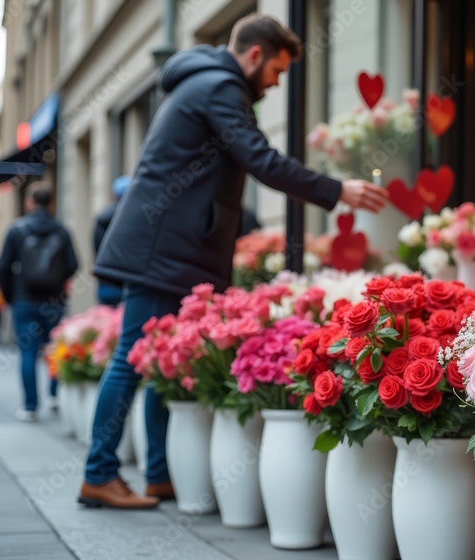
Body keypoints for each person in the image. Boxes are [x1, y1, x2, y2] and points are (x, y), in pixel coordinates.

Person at [80, 14, 387, 509]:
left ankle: (158, 474)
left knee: (161, 364)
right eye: (277, 71)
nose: (276, 82)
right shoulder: (220, 88)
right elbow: (262, 160)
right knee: (132, 360)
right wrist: (337, 190)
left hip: (173, 248)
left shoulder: (207, 84)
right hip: (163, 250)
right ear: (255, 55)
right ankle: (98, 473)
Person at [0, 187, 79, 422]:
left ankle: (30, 406)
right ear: (51, 203)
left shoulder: (16, 229)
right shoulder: (62, 230)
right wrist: (57, 280)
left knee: (28, 352)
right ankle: (54, 394)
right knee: (54, 349)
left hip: (24, 300)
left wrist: (10, 296)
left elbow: (3, 267)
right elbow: (73, 265)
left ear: (30, 202)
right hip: (54, 301)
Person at [93, 175, 130, 306]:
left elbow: (97, 249)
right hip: (128, 279)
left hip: (106, 279)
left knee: (106, 316)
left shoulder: (102, 218)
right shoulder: (136, 217)